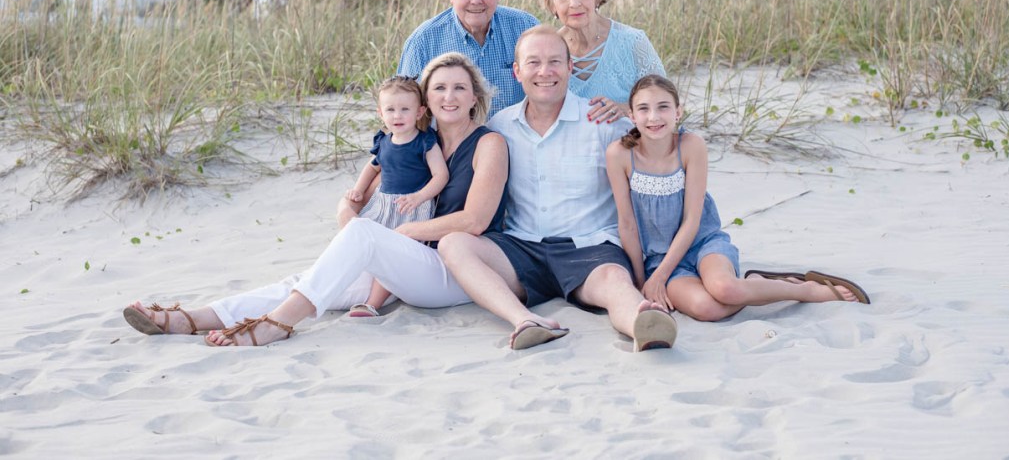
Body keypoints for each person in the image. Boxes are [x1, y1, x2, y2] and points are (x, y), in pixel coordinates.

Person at [122, 52, 510, 346]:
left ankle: (278, 325)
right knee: (306, 281)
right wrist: (347, 206)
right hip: (405, 264)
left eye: (459, 87)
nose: (449, 96)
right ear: (425, 100)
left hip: (453, 271)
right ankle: (189, 319)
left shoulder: (488, 143)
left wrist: (406, 230)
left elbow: (474, 220)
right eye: (439, 88)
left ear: (475, 95)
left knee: (358, 241)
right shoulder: (415, 142)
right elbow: (371, 194)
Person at [438, 25, 679, 352]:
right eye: (533, 63)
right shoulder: (499, 128)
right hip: (522, 248)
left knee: (616, 284)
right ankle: (524, 320)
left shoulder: (604, 123)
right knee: (454, 245)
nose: (544, 72)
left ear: (570, 67)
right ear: (517, 71)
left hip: (589, 247)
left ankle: (643, 323)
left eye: (554, 61)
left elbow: (662, 159)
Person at [606, 74, 870, 321]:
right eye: (643, 109)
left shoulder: (690, 146)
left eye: (663, 107)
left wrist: (659, 278)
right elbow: (627, 224)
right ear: (631, 115)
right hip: (660, 259)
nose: (654, 116)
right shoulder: (619, 154)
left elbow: (692, 220)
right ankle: (756, 284)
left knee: (726, 290)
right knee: (707, 308)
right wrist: (643, 282)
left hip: (701, 243)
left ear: (678, 111)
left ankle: (804, 290)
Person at [340, 75, 449, 318]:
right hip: (383, 204)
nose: (397, 116)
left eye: (404, 109)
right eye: (390, 109)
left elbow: (441, 176)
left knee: (393, 255)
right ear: (381, 112)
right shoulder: (384, 141)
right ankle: (350, 280)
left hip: (410, 208)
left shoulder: (425, 142)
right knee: (361, 239)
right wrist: (358, 189)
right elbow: (373, 167)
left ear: (420, 112)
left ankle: (372, 303)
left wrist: (420, 197)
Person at [397, 0, 539, 117]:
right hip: (449, 141)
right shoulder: (423, 41)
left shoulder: (527, 28)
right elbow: (403, 109)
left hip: (517, 138)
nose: (475, 0)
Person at [535, 0, 665, 124]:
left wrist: (626, 109)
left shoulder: (633, 41)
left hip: (629, 144)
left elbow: (664, 100)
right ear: (552, 5)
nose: (574, 3)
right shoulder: (549, 50)